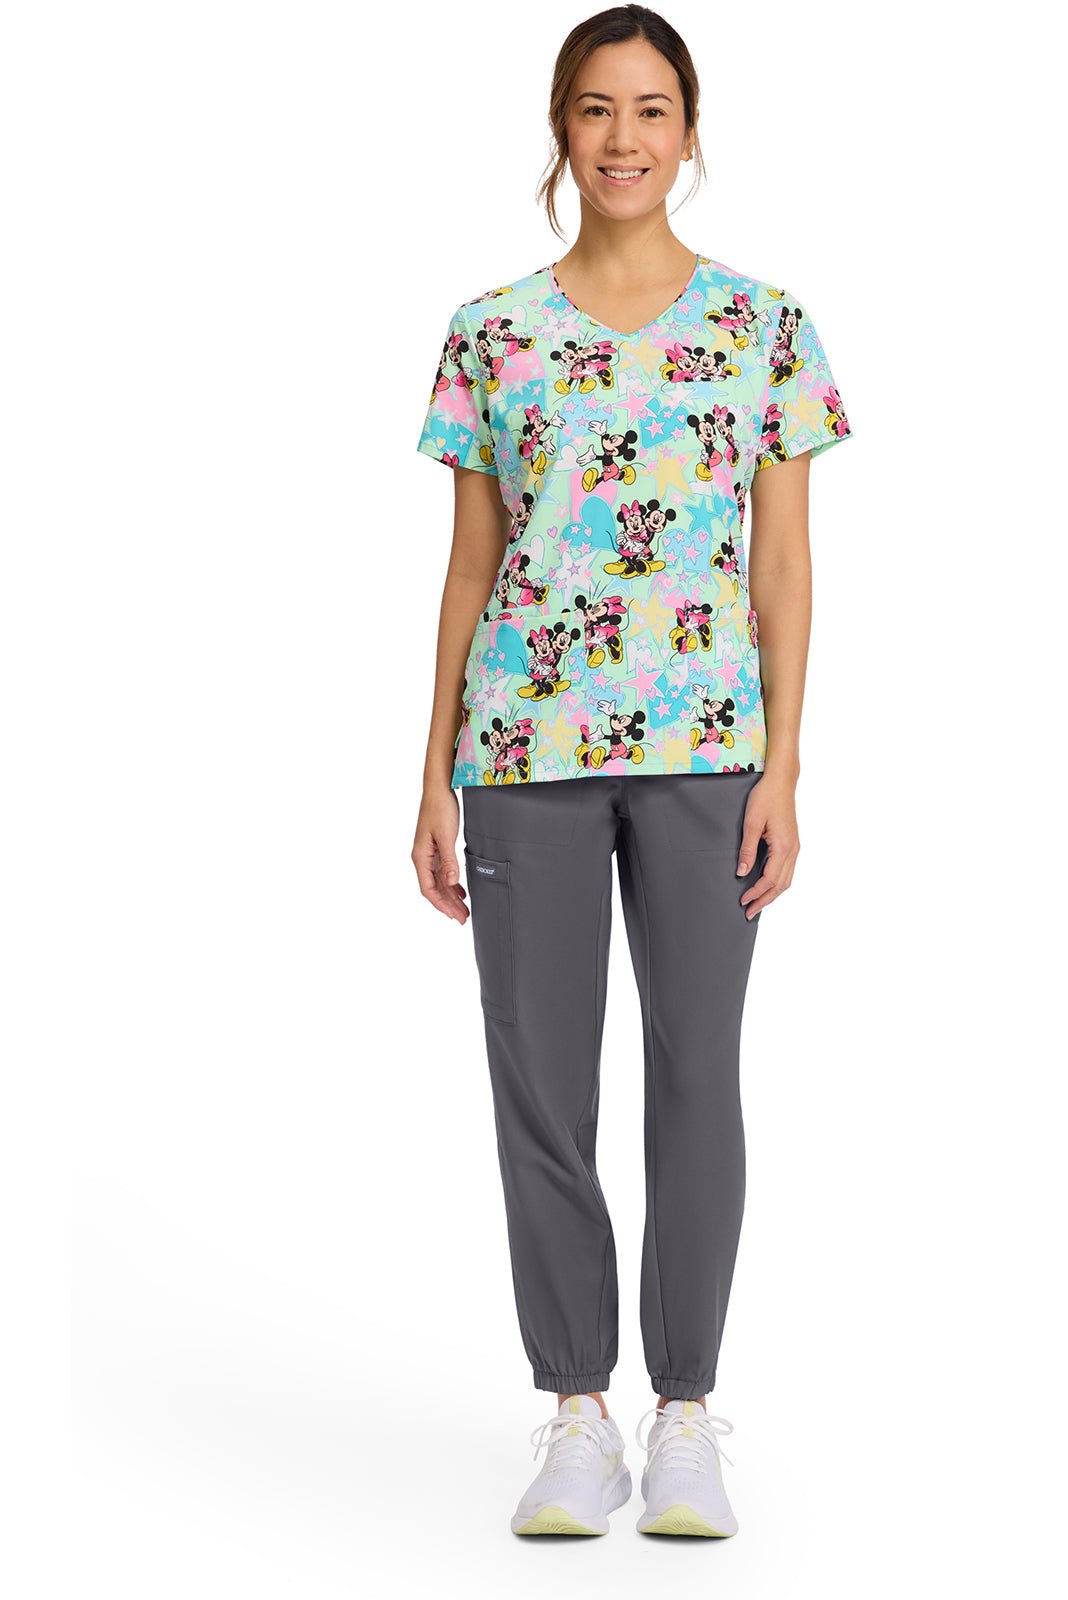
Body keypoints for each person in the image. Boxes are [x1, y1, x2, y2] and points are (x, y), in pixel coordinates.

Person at [411, 3, 853, 1539]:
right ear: (562, 128)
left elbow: (784, 565)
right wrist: (431, 776)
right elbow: (469, 567)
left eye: (651, 109)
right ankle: (576, 1415)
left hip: (709, 753)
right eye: (596, 109)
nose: (623, 137)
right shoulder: (491, 331)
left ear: (689, 131)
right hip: (522, 749)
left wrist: (784, 766)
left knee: (695, 1074)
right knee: (539, 1084)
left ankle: (684, 1416)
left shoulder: (766, 327)